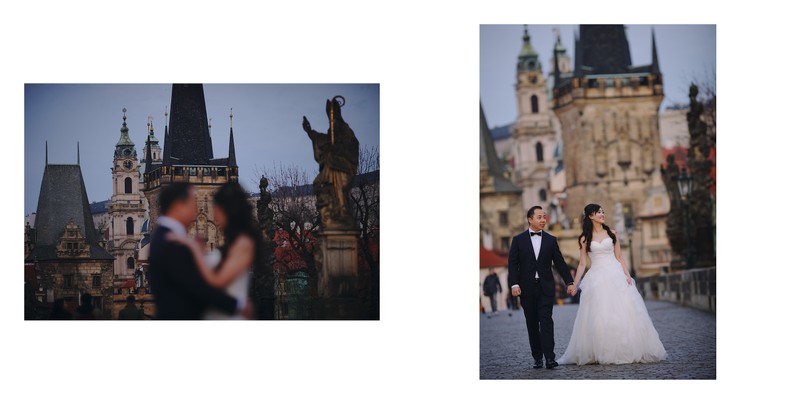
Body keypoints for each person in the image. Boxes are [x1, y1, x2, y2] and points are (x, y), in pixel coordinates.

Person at [557, 203, 666, 365]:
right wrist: (574, 283)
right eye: (598, 212)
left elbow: (620, 257)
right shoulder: (584, 238)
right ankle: (602, 350)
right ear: (590, 216)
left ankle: (625, 348)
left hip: (615, 275)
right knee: (600, 315)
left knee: (623, 312)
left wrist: (628, 276)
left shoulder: (612, 233)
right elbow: (581, 264)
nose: (602, 214)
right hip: (597, 277)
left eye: (603, 211)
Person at [148, 182, 251, 320]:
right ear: (179, 206)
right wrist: (238, 306)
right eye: (193, 203)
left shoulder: (167, 236)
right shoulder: (170, 240)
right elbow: (196, 287)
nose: (197, 210)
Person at [508, 206, 576, 369]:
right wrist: (514, 284)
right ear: (530, 219)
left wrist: (569, 282)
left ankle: (550, 358)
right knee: (532, 323)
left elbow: (560, 262)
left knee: (546, 322)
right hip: (526, 289)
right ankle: (537, 357)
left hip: (546, 287)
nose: (543, 220)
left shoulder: (551, 240)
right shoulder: (518, 240)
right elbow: (512, 264)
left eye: (544, 217)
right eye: (539, 217)